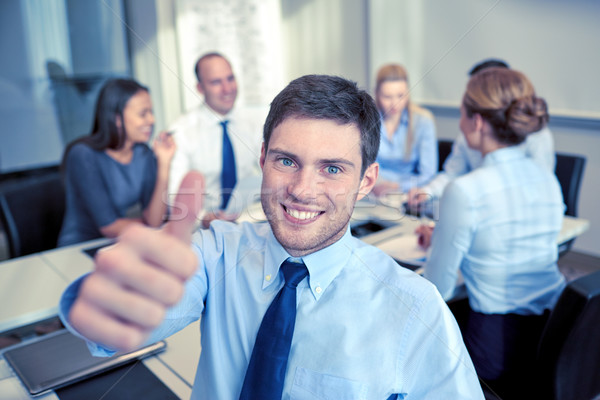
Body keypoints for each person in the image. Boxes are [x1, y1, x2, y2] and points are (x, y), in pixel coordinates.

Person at [59, 75, 484, 399]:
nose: (302, 189)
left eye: (332, 169)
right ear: (262, 158)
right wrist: (106, 303)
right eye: (286, 161)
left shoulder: (416, 308)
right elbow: (142, 304)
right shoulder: (215, 253)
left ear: (366, 181)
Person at [416, 68, 565, 399]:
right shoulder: (547, 179)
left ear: (478, 122)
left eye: (461, 113)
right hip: (555, 335)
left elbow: (436, 288)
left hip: (496, 350)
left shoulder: (465, 191)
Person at [406, 59, 555, 208]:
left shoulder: (535, 134)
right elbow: (453, 173)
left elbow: (539, 186)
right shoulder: (467, 135)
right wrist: (428, 191)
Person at [58, 78, 175, 246]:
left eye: (151, 112)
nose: (152, 120)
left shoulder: (143, 153)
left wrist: (164, 164)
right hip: (80, 248)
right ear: (116, 118)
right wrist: (153, 226)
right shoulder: (83, 155)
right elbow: (109, 227)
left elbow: (155, 219)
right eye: (143, 114)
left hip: (120, 243)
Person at [167, 52, 263, 228]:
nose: (227, 89)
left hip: (246, 223)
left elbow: (270, 171)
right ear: (200, 88)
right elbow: (174, 198)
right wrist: (204, 218)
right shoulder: (182, 132)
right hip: (201, 229)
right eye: (216, 82)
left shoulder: (253, 125)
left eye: (230, 78)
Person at [372, 63, 438, 196]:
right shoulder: (368, 119)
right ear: (377, 94)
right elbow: (363, 164)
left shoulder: (423, 121)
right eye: (387, 97)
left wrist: (398, 187)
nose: (394, 103)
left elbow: (428, 173)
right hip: (373, 190)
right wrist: (377, 185)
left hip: (407, 192)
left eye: (400, 96)